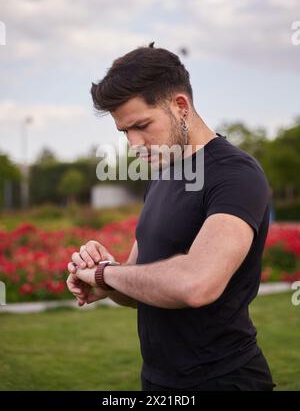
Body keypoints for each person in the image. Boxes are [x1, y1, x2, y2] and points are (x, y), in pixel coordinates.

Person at [66, 42, 276, 391]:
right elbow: (134, 289)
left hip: (225, 380)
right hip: (159, 381)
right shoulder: (162, 174)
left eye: (142, 125)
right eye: (124, 132)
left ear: (180, 106)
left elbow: (197, 284)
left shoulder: (235, 173)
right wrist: (104, 279)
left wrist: (107, 273)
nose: (134, 144)